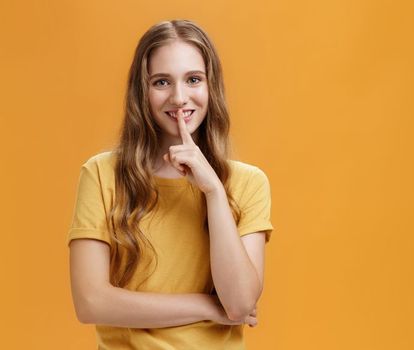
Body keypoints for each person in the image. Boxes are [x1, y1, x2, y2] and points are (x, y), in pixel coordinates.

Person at [67, 19, 274, 349]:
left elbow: (238, 304)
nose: (179, 97)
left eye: (193, 79)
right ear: (142, 91)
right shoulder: (101, 174)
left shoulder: (247, 183)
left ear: (211, 87)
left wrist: (214, 191)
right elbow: (90, 302)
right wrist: (207, 306)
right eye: (162, 82)